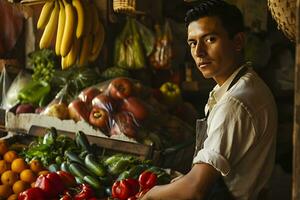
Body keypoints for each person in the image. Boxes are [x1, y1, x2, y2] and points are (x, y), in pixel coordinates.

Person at [140, 0, 277, 199]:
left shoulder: (234, 102)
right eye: (193, 42)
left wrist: (151, 195)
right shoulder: (244, 83)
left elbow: (195, 190)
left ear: (238, 41)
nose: (198, 52)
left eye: (210, 39)